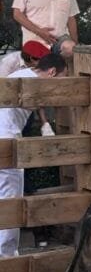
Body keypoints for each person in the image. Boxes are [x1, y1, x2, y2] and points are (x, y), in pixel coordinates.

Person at [1, 53, 66, 258]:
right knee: (11, 198)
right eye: (62, 79)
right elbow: (35, 102)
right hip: (6, 138)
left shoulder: (19, 75)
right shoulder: (32, 83)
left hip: (7, 134)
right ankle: (7, 258)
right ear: (52, 72)